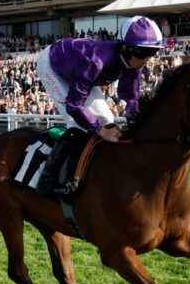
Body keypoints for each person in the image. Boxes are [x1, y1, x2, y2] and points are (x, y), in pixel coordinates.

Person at [35, 15, 164, 196]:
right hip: (52, 65)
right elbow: (74, 105)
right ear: (125, 48)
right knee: (76, 122)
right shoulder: (96, 62)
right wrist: (100, 131)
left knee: (107, 118)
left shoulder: (134, 62)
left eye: (153, 52)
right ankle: (47, 179)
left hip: (77, 68)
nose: (148, 58)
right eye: (143, 52)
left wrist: (136, 123)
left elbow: (130, 96)